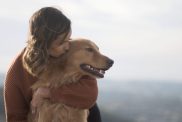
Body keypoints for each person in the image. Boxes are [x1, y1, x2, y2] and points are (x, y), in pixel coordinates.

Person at [4, 7, 101, 122]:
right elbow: (15, 117)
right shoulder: (16, 72)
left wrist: (47, 92)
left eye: (68, 39)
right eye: (62, 42)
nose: (67, 46)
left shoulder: (71, 53)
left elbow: (90, 94)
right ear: (45, 42)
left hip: (85, 115)